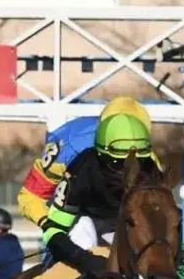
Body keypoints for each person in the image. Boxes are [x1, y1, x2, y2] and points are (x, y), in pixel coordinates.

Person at [40, 107, 184, 279]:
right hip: (83, 221)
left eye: (137, 160)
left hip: (122, 224)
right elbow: (53, 230)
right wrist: (85, 260)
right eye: (117, 162)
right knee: (85, 235)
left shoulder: (149, 168)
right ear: (101, 154)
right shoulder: (83, 168)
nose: (127, 169)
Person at [18, 96, 152, 226]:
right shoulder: (69, 147)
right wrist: (51, 229)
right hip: (76, 209)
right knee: (82, 232)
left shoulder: (147, 154)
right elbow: (30, 197)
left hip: (114, 210)